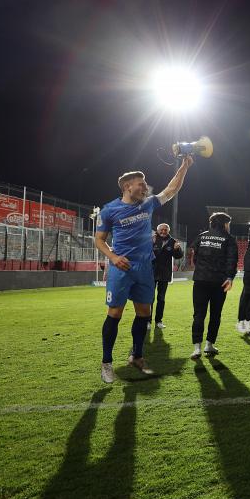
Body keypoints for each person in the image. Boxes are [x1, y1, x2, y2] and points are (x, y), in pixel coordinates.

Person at [95, 156, 193, 384]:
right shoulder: (110, 210)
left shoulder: (147, 204)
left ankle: (137, 356)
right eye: (141, 183)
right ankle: (106, 363)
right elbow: (99, 240)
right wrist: (113, 257)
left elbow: (171, 189)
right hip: (122, 267)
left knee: (144, 314)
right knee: (115, 314)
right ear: (128, 186)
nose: (145, 187)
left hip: (144, 269)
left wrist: (184, 167)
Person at [190, 212, 238, 359]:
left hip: (200, 281)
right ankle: (209, 345)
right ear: (224, 224)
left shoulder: (201, 236)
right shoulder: (229, 239)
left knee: (199, 314)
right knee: (215, 315)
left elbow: (195, 257)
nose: (228, 227)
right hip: (219, 282)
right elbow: (232, 260)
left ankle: (196, 348)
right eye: (228, 224)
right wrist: (229, 277)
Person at [151, 222, 183, 329]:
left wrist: (177, 249)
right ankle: (147, 321)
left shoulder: (173, 241)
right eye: (162, 229)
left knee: (161, 298)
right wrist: (151, 244)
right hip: (152, 273)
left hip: (165, 274)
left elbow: (178, 256)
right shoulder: (152, 239)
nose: (163, 231)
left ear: (168, 231)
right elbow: (145, 253)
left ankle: (158, 321)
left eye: (166, 229)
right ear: (158, 230)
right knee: (150, 298)